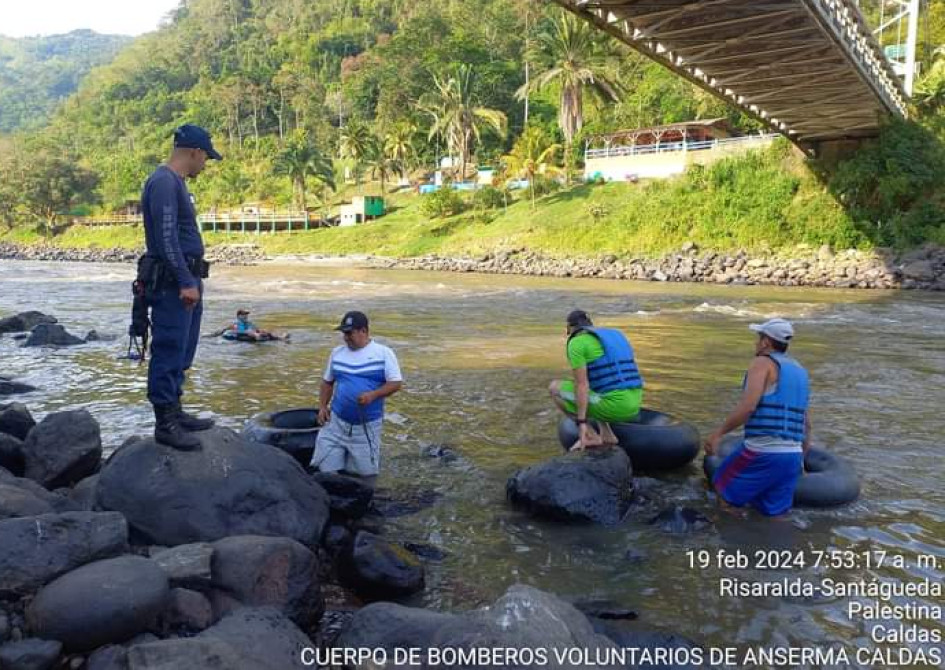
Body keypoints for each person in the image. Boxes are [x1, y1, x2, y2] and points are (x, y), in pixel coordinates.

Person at [140, 124, 221, 450]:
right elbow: (166, 237)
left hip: (187, 279)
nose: (206, 165)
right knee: (170, 347)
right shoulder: (164, 182)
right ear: (195, 152)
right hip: (175, 283)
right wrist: (186, 282)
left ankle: (176, 410)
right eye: (206, 158)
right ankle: (165, 424)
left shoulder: (174, 183)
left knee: (183, 349)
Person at [704, 318, 812, 517]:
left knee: (721, 486)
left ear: (766, 342)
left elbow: (748, 407)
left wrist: (717, 434)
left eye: (758, 338)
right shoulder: (800, 371)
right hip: (792, 455)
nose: (756, 343)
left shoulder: (762, 363)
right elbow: (807, 424)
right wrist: (801, 459)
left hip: (762, 451)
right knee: (774, 515)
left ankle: (731, 539)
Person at [309, 311, 403, 481]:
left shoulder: (383, 353)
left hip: (366, 427)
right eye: (343, 333)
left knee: (363, 477)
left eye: (349, 333)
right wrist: (323, 406)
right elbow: (327, 382)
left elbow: (395, 383)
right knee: (325, 471)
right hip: (336, 423)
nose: (345, 337)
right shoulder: (337, 353)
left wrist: (373, 395)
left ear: (364, 331)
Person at [549, 309, 645, 451]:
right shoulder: (617, 335)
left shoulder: (577, 343)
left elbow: (581, 385)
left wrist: (581, 422)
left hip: (616, 407)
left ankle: (591, 436)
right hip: (635, 402)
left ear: (569, 328)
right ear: (590, 324)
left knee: (554, 388)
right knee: (598, 387)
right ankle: (607, 435)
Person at [211, 309, 289, 341]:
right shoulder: (235, 324)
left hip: (251, 335)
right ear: (238, 316)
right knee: (250, 333)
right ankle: (256, 337)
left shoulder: (250, 323)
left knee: (265, 332)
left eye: (246, 315)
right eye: (243, 314)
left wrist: (262, 331)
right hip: (240, 336)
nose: (245, 316)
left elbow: (257, 329)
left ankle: (281, 338)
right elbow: (229, 331)